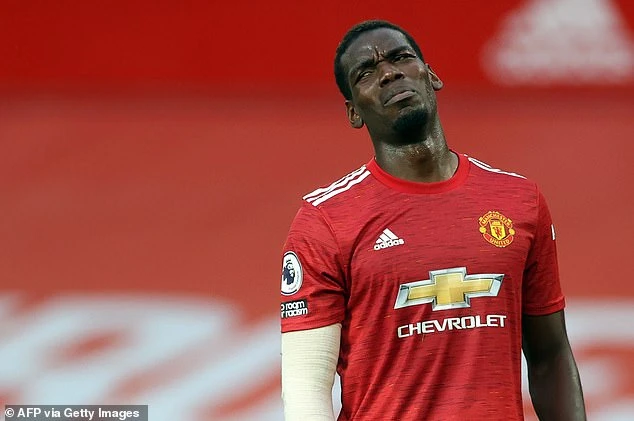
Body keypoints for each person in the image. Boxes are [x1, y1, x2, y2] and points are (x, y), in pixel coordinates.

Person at [279, 19, 586, 421]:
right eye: (366, 73)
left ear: (431, 75)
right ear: (353, 112)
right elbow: (306, 387)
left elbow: (550, 356)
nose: (389, 73)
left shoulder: (519, 200)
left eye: (400, 57)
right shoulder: (325, 220)